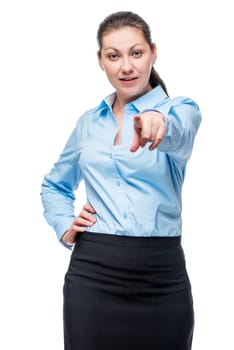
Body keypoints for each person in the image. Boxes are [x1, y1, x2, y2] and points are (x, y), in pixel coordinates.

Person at [41, 10, 201, 350]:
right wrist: (65, 225)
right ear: (100, 61)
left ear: (153, 53)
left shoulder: (180, 109)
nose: (126, 66)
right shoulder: (89, 122)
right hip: (92, 276)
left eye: (136, 53)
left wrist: (160, 122)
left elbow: (180, 133)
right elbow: (54, 185)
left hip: (161, 277)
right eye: (114, 56)